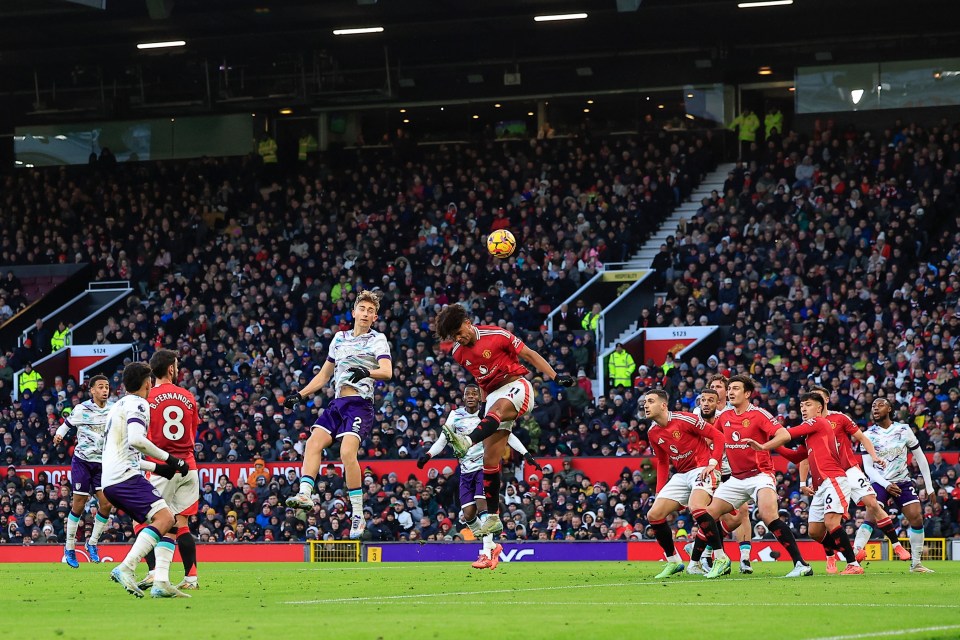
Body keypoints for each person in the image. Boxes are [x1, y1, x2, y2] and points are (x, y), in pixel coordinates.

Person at [433, 303, 574, 538]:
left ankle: (466, 441)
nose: (459, 338)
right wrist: (484, 403)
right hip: (494, 400)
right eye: (454, 336)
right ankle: (494, 518)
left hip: (517, 386)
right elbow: (481, 378)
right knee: (489, 459)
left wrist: (556, 376)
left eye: (460, 332)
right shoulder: (458, 353)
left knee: (496, 412)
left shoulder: (497, 335)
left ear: (468, 322)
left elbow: (529, 354)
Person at [285, 290, 393, 542]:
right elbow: (324, 376)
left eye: (370, 311)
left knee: (346, 452)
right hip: (337, 403)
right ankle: (304, 493)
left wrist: (365, 372)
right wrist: (300, 395)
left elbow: (386, 371)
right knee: (312, 443)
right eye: (362, 309)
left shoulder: (378, 339)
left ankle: (357, 513)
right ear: (353, 312)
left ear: (374, 317)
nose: (365, 314)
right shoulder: (339, 339)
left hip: (360, 404)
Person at [417, 384, 541, 570]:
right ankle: (492, 546)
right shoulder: (455, 415)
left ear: (480, 397)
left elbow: (508, 435)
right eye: (468, 394)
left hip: (485, 468)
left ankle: (485, 554)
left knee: (483, 507)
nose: (471, 397)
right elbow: (444, 439)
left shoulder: (488, 415)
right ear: (463, 396)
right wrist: (428, 455)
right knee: (468, 515)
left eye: (475, 394)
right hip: (466, 471)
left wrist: (526, 454)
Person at [705, 375, 812, 578]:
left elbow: (784, 435)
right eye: (730, 389)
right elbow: (714, 439)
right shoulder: (725, 417)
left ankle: (801, 564)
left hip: (760, 475)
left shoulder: (759, 414)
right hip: (736, 478)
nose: (731, 392)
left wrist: (763, 446)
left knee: (767, 515)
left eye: (736, 388)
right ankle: (715, 559)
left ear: (747, 393)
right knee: (707, 515)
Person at [745, 392, 863, 575]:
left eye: (807, 405)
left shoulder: (818, 422)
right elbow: (796, 456)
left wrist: (764, 442)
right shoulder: (810, 434)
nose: (803, 409)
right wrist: (773, 444)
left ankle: (853, 563)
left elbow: (787, 434)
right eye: (801, 407)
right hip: (820, 486)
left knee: (832, 522)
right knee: (815, 531)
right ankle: (851, 552)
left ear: (819, 407)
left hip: (833, 479)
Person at [101, 362, 189, 598]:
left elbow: (126, 453)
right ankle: (126, 567)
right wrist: (171, 459)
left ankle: (161, 582)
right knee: (167, 517)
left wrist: (158, 468)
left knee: (167, 522)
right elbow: (137, 441)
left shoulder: (117, 406)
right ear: (147, 382)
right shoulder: (138, 403)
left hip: (112, 479)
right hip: (124, 478)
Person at [808, 386, 906, 573]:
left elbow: (861, 437)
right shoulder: (809, 425)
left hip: (849, 470)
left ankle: (896, 545)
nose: (815, 403)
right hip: (828, 476)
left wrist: (874, 456)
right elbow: (806, 456)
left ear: (826, 400)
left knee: (872, 502)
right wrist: (803, 482)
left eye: (817, 398)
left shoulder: (840, 418)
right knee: (827, 518)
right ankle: (831, 557)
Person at [641, 389, 728, 579]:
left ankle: (721, 558)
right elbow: (663, 462)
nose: (645, 405)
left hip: (703, 467)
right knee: (654, 514)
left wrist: (713, 463)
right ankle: (673, 561)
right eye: (645, 402)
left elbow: (718, 437)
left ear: (663, 405)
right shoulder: (653, 432)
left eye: (650, 401)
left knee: (697, 507)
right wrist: (659, 491)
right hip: (681, 475)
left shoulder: (685, 419)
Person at [136, 349, 201, 591]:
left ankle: (155, 573)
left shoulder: (147, 398)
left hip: (162, 467)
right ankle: (191, 579)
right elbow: (192, 432)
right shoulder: (188, 396)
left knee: (142, 520)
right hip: (189, 466)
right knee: (179, 525)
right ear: (171, 369)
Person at [857, 398, 937, 573]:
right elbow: (868, 467)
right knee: (871, 515)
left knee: (916, 516)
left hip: (902, 481)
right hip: (879, 481)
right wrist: (885, 485)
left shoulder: (904, 430)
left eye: (880, 405)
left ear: (890, 409)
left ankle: (916, 564)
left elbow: (921, 458)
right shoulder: (867, 435)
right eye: (873, 406)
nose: (876, 408)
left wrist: (929, 487)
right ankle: (853, 561)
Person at [689, 376, 754, 574]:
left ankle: (731, 555)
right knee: (714, 515)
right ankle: (714, 555)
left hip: (730, 470)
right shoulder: (698, 412)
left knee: (740, 514)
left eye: (718, 387)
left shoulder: (733, 412)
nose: (714, 390)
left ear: (725, 392)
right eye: (711, 387)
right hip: (709, 471)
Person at [52, 374, 114, 567]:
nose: (105, 390)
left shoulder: (114, 409)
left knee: (106, 504)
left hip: (102, 463)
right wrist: (59, 435)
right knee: (78, 505)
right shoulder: (82, 409)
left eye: (107, 387)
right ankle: (69, 547)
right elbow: (67, 425)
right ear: (92, 390)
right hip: (83, 462)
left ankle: (92, 543)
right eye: (101, 387)